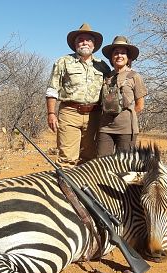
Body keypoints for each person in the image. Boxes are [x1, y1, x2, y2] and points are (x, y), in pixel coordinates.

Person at [46, 23, 110, 168]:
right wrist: (51, 113)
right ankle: (64, 190)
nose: (85, 42)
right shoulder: (63, 62)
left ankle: (84, 190)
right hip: (70, 113)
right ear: (75, 44)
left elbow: (112, 90)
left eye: (88, 40)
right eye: (81, 39)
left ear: (94, 45)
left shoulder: (103, 65)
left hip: (95, 116)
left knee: (90, 158)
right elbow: (52, 89)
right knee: (67, 159)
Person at [97, 36, 147, 157]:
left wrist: (125, 116)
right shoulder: (106, 77)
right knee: (102, 164)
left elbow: (140, 105)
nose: (119, 56)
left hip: (126, 130)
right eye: (116, 53)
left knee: (124, 166)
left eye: (123, 53)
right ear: (111, 57)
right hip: (105, 129)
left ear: (128, 57)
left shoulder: (135, 76)